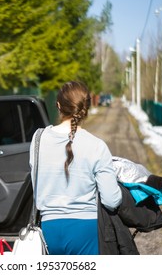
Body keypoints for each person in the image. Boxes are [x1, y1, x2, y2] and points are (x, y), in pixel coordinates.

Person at [29, 81, 122, 255]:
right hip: (86, 231)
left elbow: (36, 187)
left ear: (58, 105)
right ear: (86, 108)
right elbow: (111, 200)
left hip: (49, 229)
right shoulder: (97, 146)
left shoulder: (38, 139)